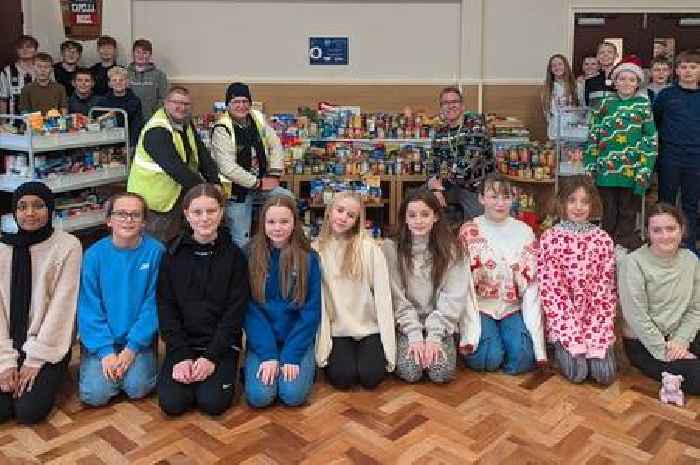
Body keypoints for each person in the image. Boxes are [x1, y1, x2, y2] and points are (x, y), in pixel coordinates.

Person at [157, 184, 249, 416]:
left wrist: (210, 357)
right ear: (186, 214)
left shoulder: (235, 256)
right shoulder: (171, 255)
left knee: (212, 403)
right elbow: (166, 308)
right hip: (183, 344)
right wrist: (180, 355)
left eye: (211, 211)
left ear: (221, 212)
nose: (204, 218)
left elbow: (234, 314)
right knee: (173, 404)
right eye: (197, 212)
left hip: (220, 346)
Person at [0, 182, 81, 424]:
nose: (30, 213)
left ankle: (53, 372)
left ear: (50, 210)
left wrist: (35, 360)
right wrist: (5, 361)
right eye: (22, 207)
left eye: (38, 206)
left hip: (48, 344)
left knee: (28, 411)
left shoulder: (68, 246)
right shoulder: (3, 248)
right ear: (14, 211)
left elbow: (62, 309)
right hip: (7, 343)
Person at [383, 188, 479, 384]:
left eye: (425, 214)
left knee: (440, 373)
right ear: (405, 219)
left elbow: (453, 297)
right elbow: (396, 297)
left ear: (435, 216)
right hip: (406, 325)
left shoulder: (453, 250)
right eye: (412, 215)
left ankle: (438, 342)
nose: (418, 220)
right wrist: (415, 335)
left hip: (440, 322)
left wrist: (434, 337)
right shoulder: (391, 248)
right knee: (411, 371)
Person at [77, 193, 164, 407]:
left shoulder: (156, 253)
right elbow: (89, 307)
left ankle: (126, 373)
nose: (128, 220)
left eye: (135, 215)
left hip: (138, 342)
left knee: (137, 388)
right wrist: (106, 353)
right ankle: (108, 370)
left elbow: (153, 305)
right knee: (94, 395)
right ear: (109, 220)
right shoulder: (93, 255)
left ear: (144, 222)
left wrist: (131, 349)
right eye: (121, 214)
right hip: (101, 341)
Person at [458, 175, 546, 374]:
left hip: (512, 307)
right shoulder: (469, 230)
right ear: (481, 198)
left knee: (523, 359)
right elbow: (459, 275)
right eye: (493, 196)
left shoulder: (524, 231)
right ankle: (492, 342)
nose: (500, 203)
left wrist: (518, 275)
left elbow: (531, 275)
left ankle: (505, 339)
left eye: (506, 197)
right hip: (481, 307)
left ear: (513, 198)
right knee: (486, 358)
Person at [537, 177, 617, 385]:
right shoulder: (550, 239)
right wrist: (572, 333)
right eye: (572, 200)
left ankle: (592, 347)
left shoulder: (603, 240)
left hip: (593, 319)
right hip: (564, 321)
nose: (579, 207)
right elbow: (552, 292)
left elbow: (604, 291)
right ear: (562, 203)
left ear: (593, 205)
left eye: (585, 201)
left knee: (604, 375)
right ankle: (562, 348)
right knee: (578, 373)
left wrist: (595, 332)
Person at [244, 195, 321, 407]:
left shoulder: (309, 258)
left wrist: (291, 355)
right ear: (263, 224)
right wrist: (268, 354)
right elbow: (250, 310)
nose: (277, 228)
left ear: (295, 223)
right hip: (262, 340)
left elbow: (311, 312)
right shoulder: (249, 255)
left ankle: (304, 367)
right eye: (271, 222)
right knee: (260, 397)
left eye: (284, 222)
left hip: (296, 339)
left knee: (292, 395)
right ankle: (261, 364)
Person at [315, 192, 396, 390]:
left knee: (371, 377)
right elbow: (320, 305)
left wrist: (389, 350)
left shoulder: (370, 249)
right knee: (343, 378)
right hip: (337, 330)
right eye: (339, 210)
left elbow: (383, 300)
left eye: (350, 215)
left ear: (357, 221)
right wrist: (322, 349)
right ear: (329, 211)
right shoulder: (316, 250)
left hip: (369, 327)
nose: (343, 217)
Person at [619, 203, 700, 395]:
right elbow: (636, 316)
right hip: (646, 342)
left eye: (671, 229)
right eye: (657, 230)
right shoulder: (633, 263)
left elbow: (696, 308)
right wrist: (666, 351)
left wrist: (681, 341)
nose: (665, 236)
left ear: (682, 230)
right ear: (648, 233)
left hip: (680, 333)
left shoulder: (691, 260)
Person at [127, 86, 220, 243]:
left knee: (174, 244)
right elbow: (175, 168)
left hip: (175, 197)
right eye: (176, 102)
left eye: (186, 104)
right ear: (166, 103)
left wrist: (215, 181)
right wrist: (206, 191)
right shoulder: (156, 130)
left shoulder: (185, 123)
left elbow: (202, 154)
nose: (181, 107)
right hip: (154, 203)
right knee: (155, 248)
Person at [584, 59, 657, 251]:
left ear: (637, 83)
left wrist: (645, 169)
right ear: (614, 82)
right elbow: (593, 135)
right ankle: (605, 250)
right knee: (608, 212)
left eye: (631, 80)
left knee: (628, 212)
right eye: (622, 79)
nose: (626, 83)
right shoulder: (603, 104)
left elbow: (651, 139)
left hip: (632, 171)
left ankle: (623, 252)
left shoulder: (643, 105)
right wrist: (590, 163)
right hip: (606, 170)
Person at [210, 82, 291, 247]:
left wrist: (274, 173)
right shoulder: (222, 128)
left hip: (262, 185)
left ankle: (279, 251)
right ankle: (243, 270)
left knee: (288, 200)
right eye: (236, 102)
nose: (241, 106)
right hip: (237, 192)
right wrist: (257, 183)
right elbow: (227, 168)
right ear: (228, 105)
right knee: (241, 240)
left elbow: (275, 144)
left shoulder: (257, 117)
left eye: (245, 101)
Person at [654, 50, 700, 255]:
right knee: (666, 201)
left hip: (696, 158)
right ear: (677, 71)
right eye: (683, 67)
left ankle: (687, 246)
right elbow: (655, 122)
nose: (688, 71)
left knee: (691, 203)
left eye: (693, 67)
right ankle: (661, 242)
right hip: (670, 156)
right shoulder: (666, 95)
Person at [428, 86, 490, 223]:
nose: (450, 106)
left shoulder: (475, 126)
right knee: (422, 200)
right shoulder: (440, 132)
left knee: (476, 226)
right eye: (445, 103)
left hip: (476, 187)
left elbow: (467, 165)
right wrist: (434, 187)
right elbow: (433, 161)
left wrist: (441, 182)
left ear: (462, 106)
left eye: (454, 102)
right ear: (441, 108)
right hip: (450, 184)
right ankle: (439, 240)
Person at [95, 66, 144, 147]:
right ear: (109, 84)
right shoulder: (102, 102)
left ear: (127, 83)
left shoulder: (134, 101)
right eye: (114, 80)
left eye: (121, 80)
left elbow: (136, 126)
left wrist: (131, 146)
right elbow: (97, 122)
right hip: (106, 142)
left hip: (128, 141)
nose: (118, 82)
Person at [127, 39, 168, 119]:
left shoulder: (159, 75)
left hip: (152, 119)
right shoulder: (124, 73)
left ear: (150, 55)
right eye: (138, 52)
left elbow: (164, 98)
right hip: (129, 118)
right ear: (133, 54)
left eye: (145, 53)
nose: (141, 55)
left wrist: (154, 113)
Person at [542, 54, 579, 140]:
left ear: (565, 66)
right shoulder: (547, 88)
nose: (557, 67)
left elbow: (581, 108)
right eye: (554, 66)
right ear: (550, 70)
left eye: (560, 64)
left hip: (574, 131)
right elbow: (546, 113)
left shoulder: (576, 85)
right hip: (555, 132)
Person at [0, 35, 39, 116]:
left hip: (39, 121)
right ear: (16, 51)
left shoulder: (42, 69)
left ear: (35, 50)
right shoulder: (6, 71)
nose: (25, 50)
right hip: (14, 121)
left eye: (29, 47)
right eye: (21, 47)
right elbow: (3, 100)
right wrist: (3, 123)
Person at [584, 42, 619, 108]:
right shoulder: (590, 80)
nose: (605, 55)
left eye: (610, 52)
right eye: (602, 52)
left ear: (616, 55)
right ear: (597, 57)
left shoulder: (623, 77)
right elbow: (588, 104)